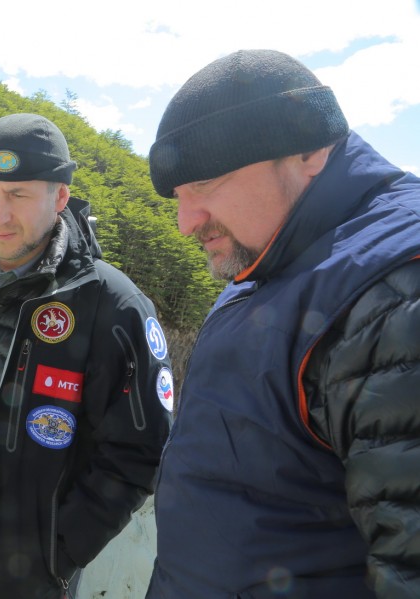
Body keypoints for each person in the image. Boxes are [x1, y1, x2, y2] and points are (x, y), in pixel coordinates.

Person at [146, 49, 420, 598]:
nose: (185, 223)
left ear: (309, 149)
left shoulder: (394, 293)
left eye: (205, 183)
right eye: (178, 196)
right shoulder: (273, 257)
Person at [0, 113, 173, 599]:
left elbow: (140, 451)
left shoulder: (112, 304)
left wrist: (57, 553)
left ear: (60, 197)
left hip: (27, 580)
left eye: (19, 195)